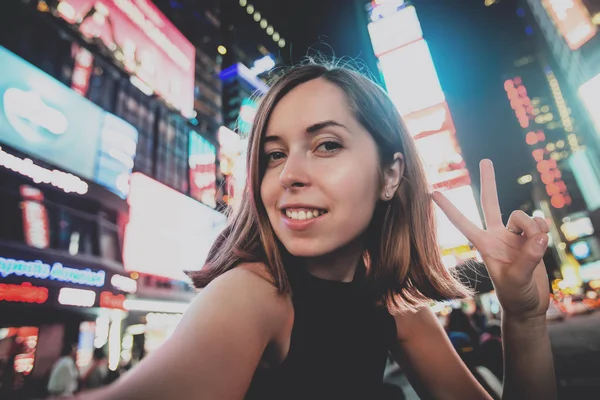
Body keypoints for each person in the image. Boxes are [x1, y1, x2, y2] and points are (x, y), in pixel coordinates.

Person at [74, 62, 557, 399]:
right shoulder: (252, 294)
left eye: (326, 145)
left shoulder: (388, 302)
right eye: (274, 154)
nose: (288, 175)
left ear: (391, 175)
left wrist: (525, 318)